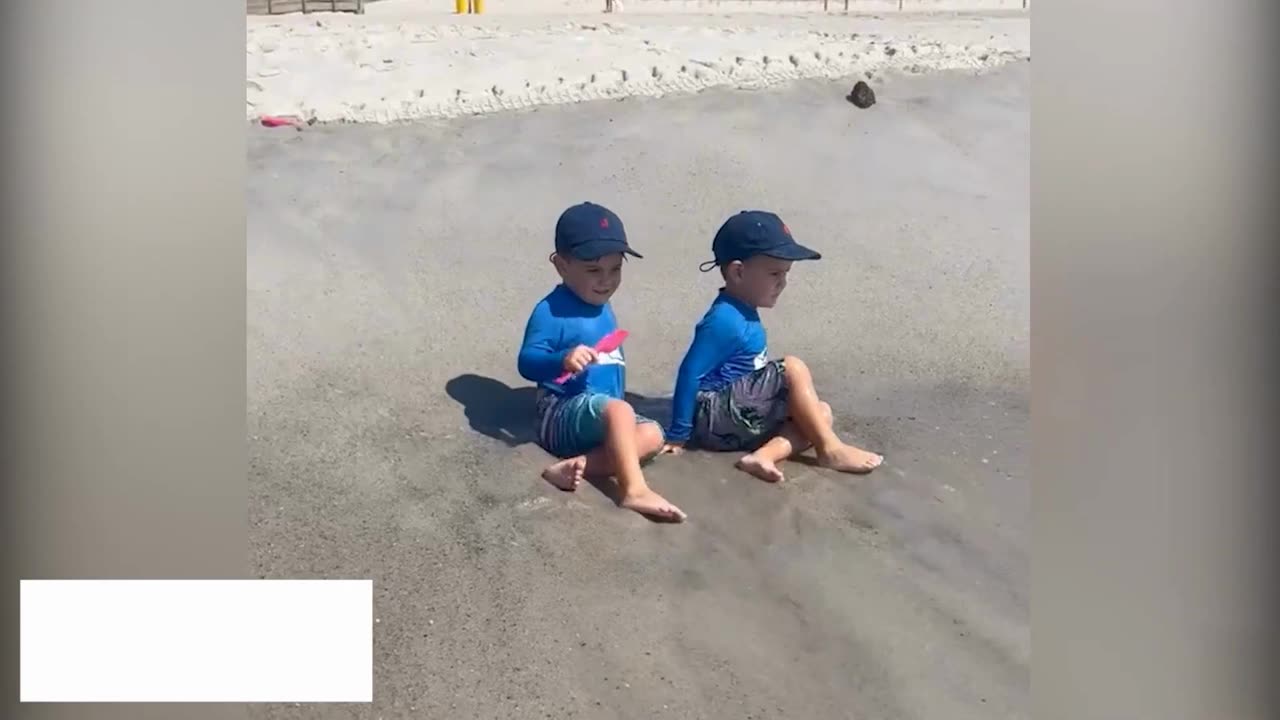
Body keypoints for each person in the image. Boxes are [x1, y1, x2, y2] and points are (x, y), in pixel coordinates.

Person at [661, 210, 884, 483]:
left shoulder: (742, 311)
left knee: (819, 414)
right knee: (793, 367)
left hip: (735, 415)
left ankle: (763, 456)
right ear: (738, 272)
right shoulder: (723, 319)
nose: (783, 282)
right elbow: (690, 372)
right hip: (711, 417)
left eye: (786, 273)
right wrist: (678, 433)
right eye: (775, 273)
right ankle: (830, 450)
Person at [517, 202, 686, 522]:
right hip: (560, 413)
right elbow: (527, 362)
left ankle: (576, 465)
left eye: (615, 269)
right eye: (594, 270)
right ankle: (634, 490)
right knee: (620, 410)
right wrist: (561, 359)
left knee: (653, 434)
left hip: (599, 418)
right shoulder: (551, 310)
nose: (606, 281)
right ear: (561, 266)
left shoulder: (602, 307)